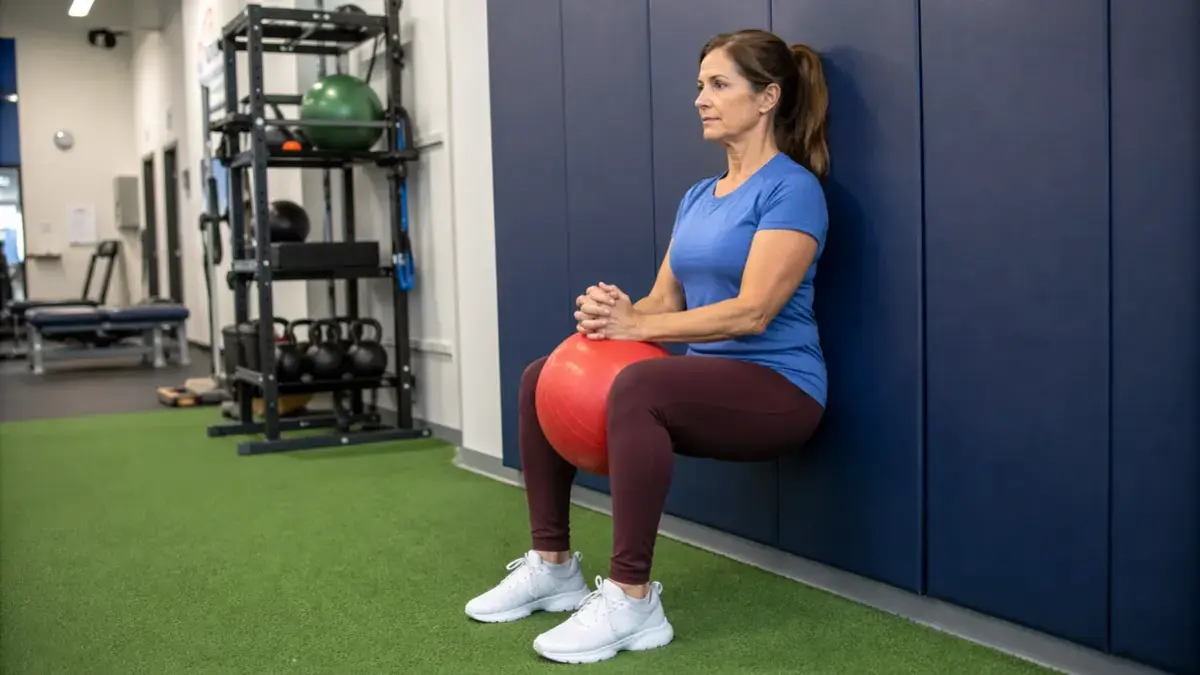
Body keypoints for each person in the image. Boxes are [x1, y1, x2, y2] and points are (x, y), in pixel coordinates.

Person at [464, 28, 831, 664]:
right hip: (705, 384)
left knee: (640, 384)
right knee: (539, 375)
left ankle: (633, 601)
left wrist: (639, 330)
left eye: (719, 85)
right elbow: (664, 305)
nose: (701, 99)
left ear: (768, 97)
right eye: (699, 86)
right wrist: (615, 316)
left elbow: (753, 312)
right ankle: (552, 566)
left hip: (780, 389)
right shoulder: (698, 196)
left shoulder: (791, 189)